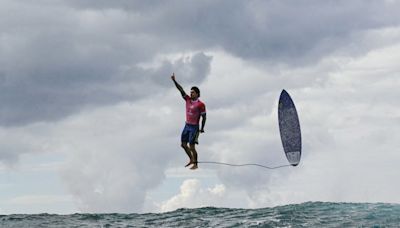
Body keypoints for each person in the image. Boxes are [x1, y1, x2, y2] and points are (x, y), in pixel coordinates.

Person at [171, 73, 206, 170]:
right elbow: (181, 89)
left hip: (194, 128)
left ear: (198, 94)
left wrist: (202, 128)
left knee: (192, 147)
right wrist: (174, 81)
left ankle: (196, 164)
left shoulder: (201, 104)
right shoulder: (187, 99)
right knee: (183, 144)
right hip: (187, 126)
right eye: (190, 92)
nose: (191, 94)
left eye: (193, 92)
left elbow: (204, 117)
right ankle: (191, 159)